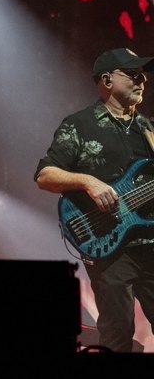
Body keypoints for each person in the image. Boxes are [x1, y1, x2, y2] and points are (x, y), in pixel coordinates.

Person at [35, 47, 154, 352]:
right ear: (107, 80)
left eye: (143, 74)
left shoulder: (149, 128)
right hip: (109, 243)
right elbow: (45, 176)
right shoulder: (80, 125)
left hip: (151, 243)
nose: (142, 79)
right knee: (118, 332)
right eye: (133, 73)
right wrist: (88, 182)